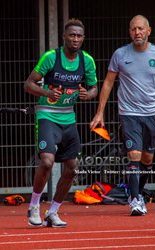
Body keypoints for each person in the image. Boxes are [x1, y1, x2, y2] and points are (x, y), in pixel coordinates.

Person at [90, 15, 155, 216]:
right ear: (129, 32)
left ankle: (139, 193)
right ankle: (135, 199)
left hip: (152, 113)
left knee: (147, 159)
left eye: (140, 29)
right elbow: (108, 82)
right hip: (128, 113)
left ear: (149, 30)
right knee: (134, 155)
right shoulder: (120, 54)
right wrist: (100, 112)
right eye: (133, 29)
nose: (137, 32)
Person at [24, 18, 98, 227]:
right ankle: (34, 206)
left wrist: (88, 94)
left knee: (72, 168)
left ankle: (53, 211)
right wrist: (47, 92)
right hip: (47, 114)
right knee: (47, 161)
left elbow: (94, 88)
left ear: (83, 39)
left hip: (69, 117)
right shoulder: (51, 57)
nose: (75, 39)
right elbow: (28, 84)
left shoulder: (87, 61)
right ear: (64, 37)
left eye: (79, 36)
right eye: (72, 35)